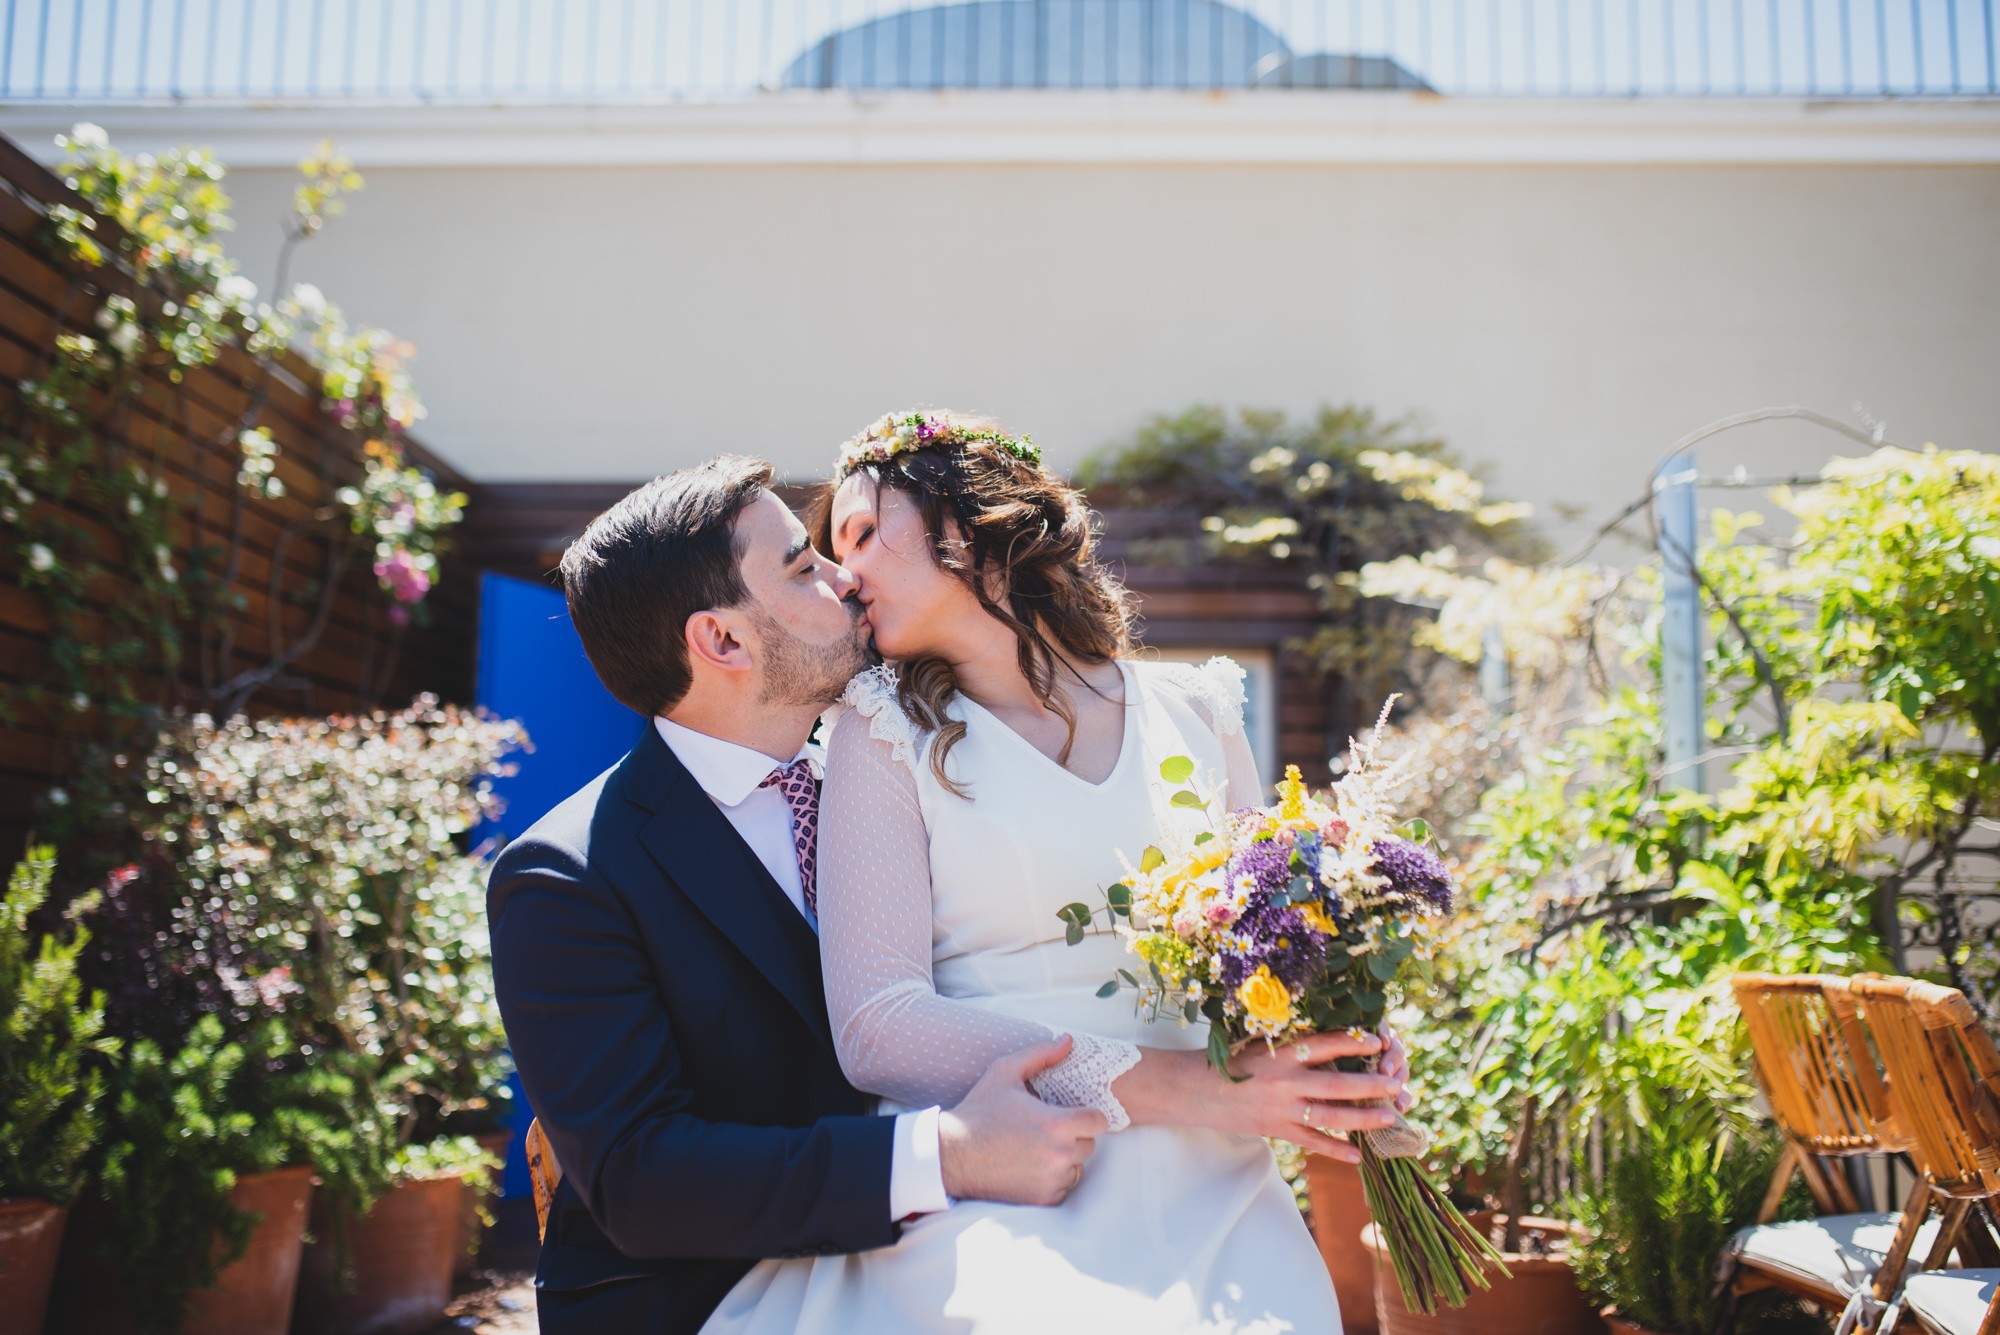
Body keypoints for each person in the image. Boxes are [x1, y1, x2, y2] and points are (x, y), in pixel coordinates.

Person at [695, 413, 1412, 1334]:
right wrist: (1184, 1087)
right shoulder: (882, 729)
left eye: (866, 535)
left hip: (1219, 1191)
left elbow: (1271, 938)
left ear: (965, 527)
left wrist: (1342, 1032)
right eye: (834, 551)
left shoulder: (1201, 708)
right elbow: (879, 1028)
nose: (845, 575)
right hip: (1005, 1178)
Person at [488, 457, 1116, 1335]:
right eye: (801, 565)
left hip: (964, 1255)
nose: (845, 574)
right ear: (724, 642)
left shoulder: (905, 783)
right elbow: (642, 1177)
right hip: (705, 1300)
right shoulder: (566, 878)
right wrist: (947, 1155)